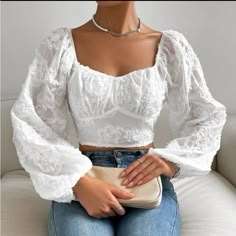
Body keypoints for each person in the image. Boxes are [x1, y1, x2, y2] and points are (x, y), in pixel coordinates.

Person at [10, 1, 227, 236]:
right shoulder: (61, 46)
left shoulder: (170, 47)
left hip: (146, 177)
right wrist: (78, 183)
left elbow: (206, 117)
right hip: (84, 175)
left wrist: (171, 161)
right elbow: (31, 122)